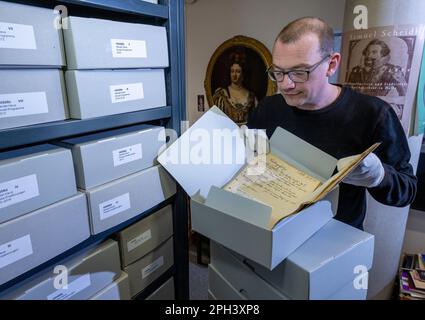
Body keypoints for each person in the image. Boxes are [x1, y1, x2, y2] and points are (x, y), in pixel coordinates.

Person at [247, 17, 417, 230]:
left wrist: (380, 176)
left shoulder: (373, 114)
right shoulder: (267, 109)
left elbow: (407, 190)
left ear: (331, 64)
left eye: (300, 72)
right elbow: (253, 168)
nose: (286, 85)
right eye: (278, 72)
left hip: (336, 240)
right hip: (275, 229)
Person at [213, 52, 258, 125]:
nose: (234, 75)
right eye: (232, 71)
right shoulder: (221, 94)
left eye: (238, 71)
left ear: (243, 74)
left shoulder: (251, 97)